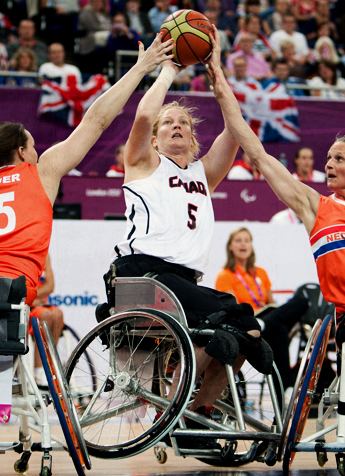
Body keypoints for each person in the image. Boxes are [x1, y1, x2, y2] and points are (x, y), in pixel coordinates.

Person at [99, 27, 273, 435]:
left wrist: (217, 75)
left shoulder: (203, 173)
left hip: (183, 282)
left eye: (183, 123)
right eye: (169, 124)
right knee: (226, 316)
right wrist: (168, 71)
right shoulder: (143, 164)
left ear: (194, 137)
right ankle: (174, 406)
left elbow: (236, 130)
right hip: (142, 274)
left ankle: (202, 411)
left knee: (246, 326)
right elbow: (143, 115)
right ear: (156, 139)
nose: (176, 126)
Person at [0, 34, 174, 308]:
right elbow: (96, 120)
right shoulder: (40, 172)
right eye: (33, 146)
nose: (36, 153)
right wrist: (141, 68)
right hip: (12, 289)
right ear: (22, 152)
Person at [214, 51, 345, 360]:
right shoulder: (317, 206)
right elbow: (258, 155)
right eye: (328, 158)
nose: (329, 164)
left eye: (339, 158)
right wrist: (222, 88)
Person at [215, 227, 309, 391]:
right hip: (247, 321)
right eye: (238, 240)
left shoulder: (261, 273)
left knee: (301, 301)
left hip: (267, 316)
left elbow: (271, 302)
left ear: (251, 245)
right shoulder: (225, 275)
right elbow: (234, 309)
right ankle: (284, 387)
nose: (243, 244)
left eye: (247, 240)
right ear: (230, 246)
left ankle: (265, 324)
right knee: (279, 330)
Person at [30, 254, 64, 387]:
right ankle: (39, 372)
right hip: (24, 305)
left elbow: (50, 286)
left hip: (38, 304)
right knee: (45, 316)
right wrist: (32, 298)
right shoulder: (16, 247)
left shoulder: (44, 254)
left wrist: (34, 297)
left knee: (57, 314)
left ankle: (49, 367)